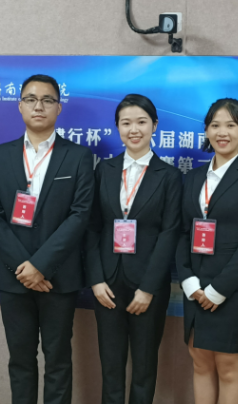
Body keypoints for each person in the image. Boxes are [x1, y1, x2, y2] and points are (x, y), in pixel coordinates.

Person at [0, 74, 94, 404]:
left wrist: (41, 265)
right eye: (30, 99)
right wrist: (24, 267)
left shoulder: (78, 156)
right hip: (14, 278)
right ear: (20, 106)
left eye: (47, 100)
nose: (39, 106)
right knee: (20, 361)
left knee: (58, 361)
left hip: (58, 277)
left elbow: (80, 215)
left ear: (59, 107)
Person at [84, 94, 182, 404]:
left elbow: (169, 234)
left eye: (141, 122)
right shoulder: (104, 170)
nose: (134, 129)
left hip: (147, 287)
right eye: (126, 123)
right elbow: (92, 228)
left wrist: (148, 288)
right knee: (111, 367)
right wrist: (96, 280)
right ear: (117, 128)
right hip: (107, 285)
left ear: (155, 125)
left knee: (144, 368)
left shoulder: (169, 176)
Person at [176, 98, 238, 404]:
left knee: (229, 367)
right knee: (200, 361)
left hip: (233, 289)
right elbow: (183, 232)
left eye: (231, 125)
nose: (222, 132)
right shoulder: (193, 178)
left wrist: (218, 290)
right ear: (206, 131)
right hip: (195, 287)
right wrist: (188, 281)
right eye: (215, 125)